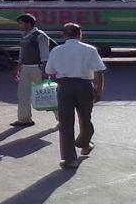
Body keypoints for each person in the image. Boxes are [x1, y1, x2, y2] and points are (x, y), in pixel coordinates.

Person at [45, 23, 105, 169]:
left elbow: (49, 71)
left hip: (64, 86)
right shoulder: (89, 50)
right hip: (84, 85)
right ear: (80, 34)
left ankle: (69, 159)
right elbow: (98, 71)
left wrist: (61, 80)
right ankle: (84, 142)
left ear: (64, 35)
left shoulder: (56, 50)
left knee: (65, 122)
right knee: (85, 118)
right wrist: (98, 90)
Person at [11, 13, 52, 127]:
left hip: (37, 68)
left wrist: (45, 71)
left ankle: (62, 119)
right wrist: (17, 69)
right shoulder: (25, 36)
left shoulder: (40, 36)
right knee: (23, 95)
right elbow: (21, 55)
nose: (19, 26)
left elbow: (45, 55)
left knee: (48, 95)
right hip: (25, 68)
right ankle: (24, 119)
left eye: (20, 23)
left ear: (28, 23)